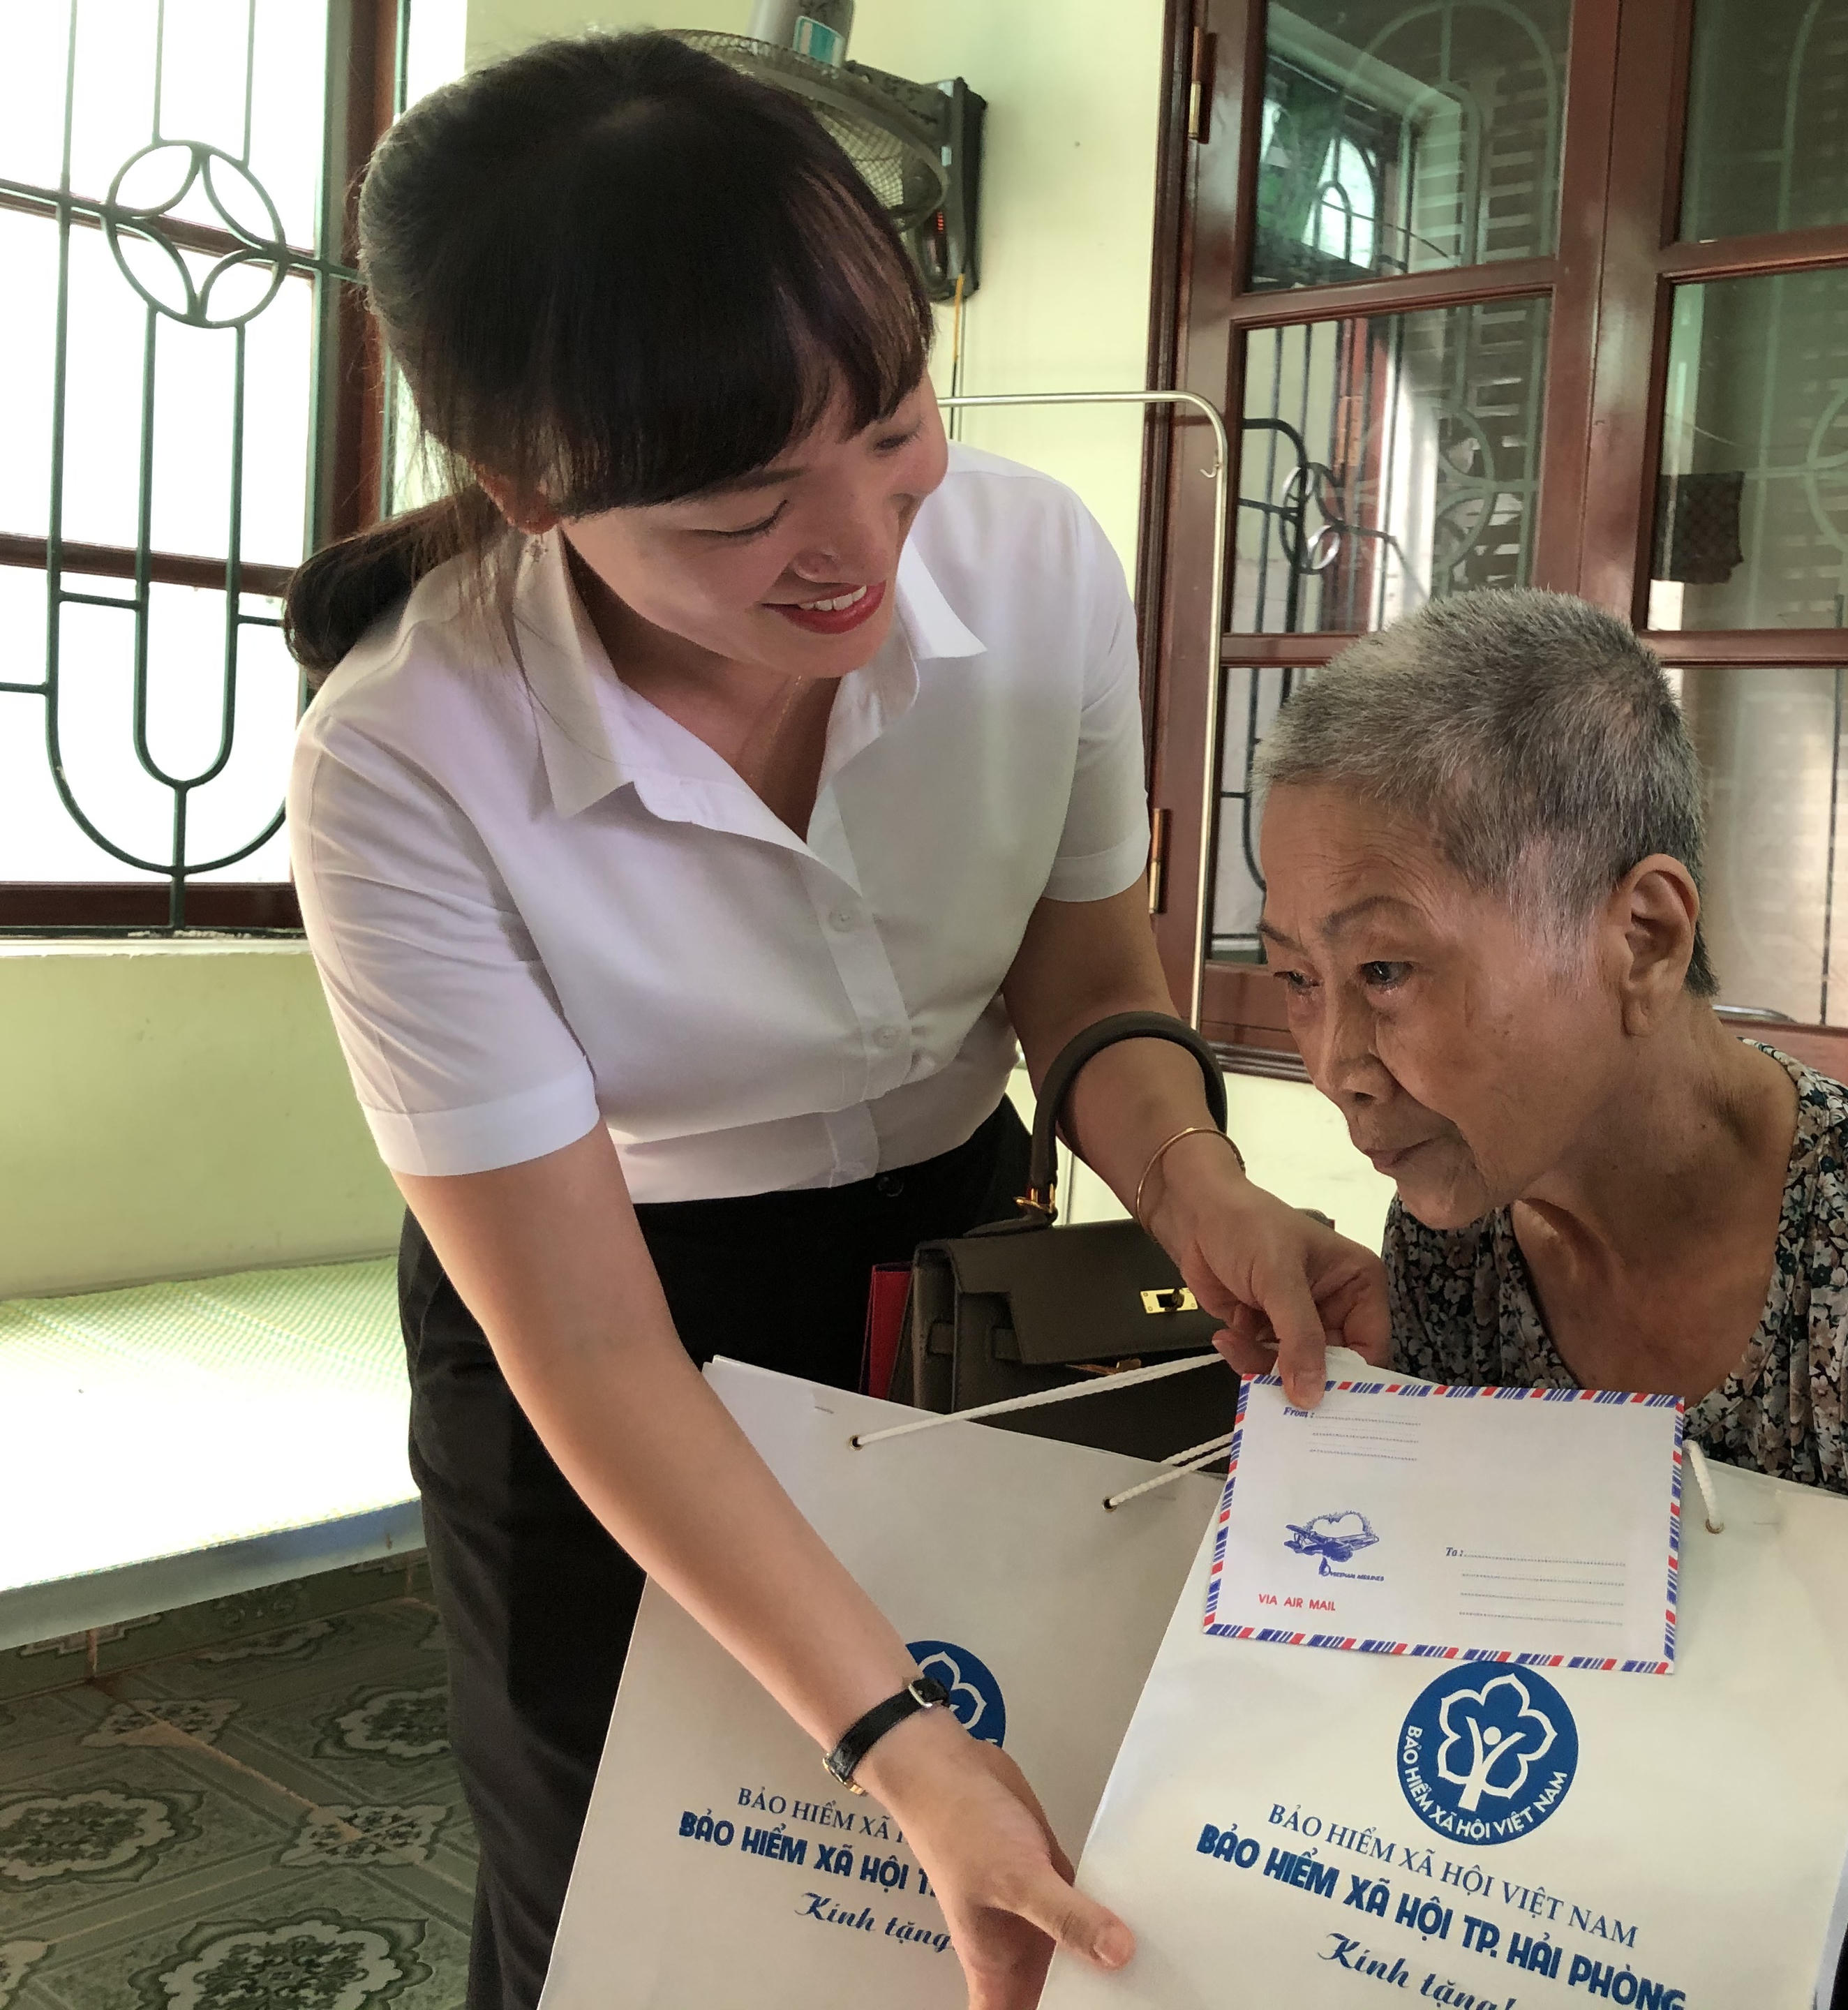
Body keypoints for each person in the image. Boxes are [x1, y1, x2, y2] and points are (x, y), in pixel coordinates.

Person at [282, 34, 1383, 2010]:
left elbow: (1086, 977)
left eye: (893, 429)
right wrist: (891, 1743)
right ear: (530, 488)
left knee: (977, 1876)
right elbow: (592, 1346)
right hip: (614, 1326)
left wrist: (1196, 1188)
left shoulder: (1035, 565)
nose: (862, 546)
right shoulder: (406, 760)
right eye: (741, 511)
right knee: (636, 1905)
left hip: (954, 1270)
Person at [1249, 590, 1848, 2010]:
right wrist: (1360, 1440)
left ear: (1643, 938)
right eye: (1296, 979)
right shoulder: (1457, 1243)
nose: (1335, 1065)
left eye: (1385, 970)